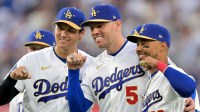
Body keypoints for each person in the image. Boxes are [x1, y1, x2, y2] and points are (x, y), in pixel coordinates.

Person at [66, 4, 197, 112]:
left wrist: (192, 104)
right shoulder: (93, 67)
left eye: (100, 25)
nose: (94, 31)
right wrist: (72, 72)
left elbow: (179, 80)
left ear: (118, 24)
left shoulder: (142, 52)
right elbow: (78, 109)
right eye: (92, 27)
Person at [0, 7, 93, 112]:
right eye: (60, 28)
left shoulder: (91, 65)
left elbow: (79, 109)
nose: (63, 34)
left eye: (70, 30)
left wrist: (74, 72)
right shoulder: (29, 60)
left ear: (81, 33)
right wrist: (11, 80)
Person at [127, 23, 196, 112]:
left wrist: (157, 64)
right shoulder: (151, 81)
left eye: (144, 44)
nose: (138, 49)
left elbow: (189, 88)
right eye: (138, 44)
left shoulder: (172, 73)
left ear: (162, 47)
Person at [9, 30, 55, 112]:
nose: (36, 53)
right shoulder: (17, 85)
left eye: (42, 49)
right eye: (33, 49)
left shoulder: (62, 82)